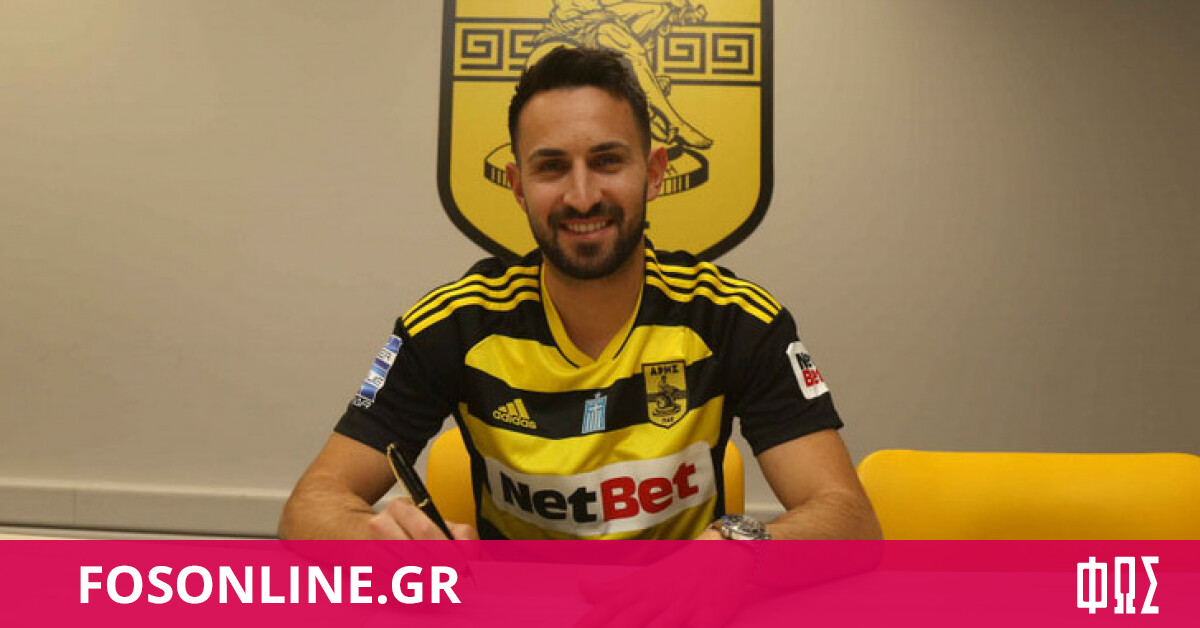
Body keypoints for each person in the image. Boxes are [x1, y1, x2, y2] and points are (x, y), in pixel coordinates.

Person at [278, 46, 880, 542]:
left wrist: (738, 549)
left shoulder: (734, 318)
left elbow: (851, 521)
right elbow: (309, 508)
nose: (583, 195)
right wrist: (380, 545)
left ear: (655, 172)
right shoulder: (453, 324)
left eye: (608, 160)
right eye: (551, 167)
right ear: (518, 186)